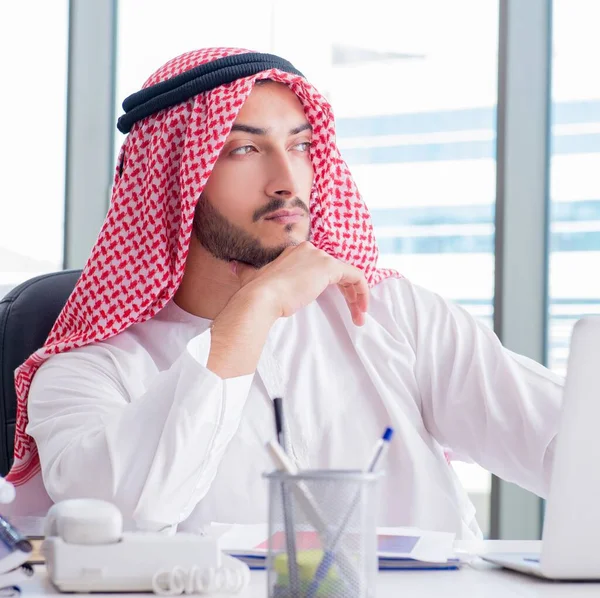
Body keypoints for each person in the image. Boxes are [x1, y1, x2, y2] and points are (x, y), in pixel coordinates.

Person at [5, 48, 563, 540]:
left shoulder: (397, 317)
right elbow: (125, 515)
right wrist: (251, 312)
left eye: (300, 147)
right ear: (175, 179)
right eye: (244, 150)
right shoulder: (87, 371)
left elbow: (564, 445)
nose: (288, 182)